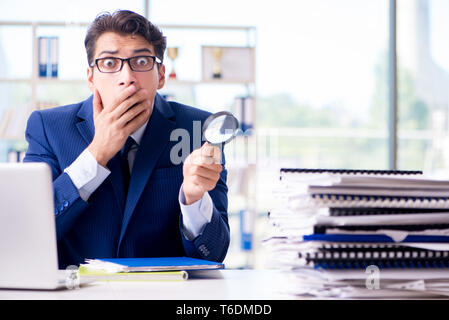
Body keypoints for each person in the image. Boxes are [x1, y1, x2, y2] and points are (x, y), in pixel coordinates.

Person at [23, 10, 230, 268]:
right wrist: (97, 153)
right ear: (91, 78)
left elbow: (214, 254)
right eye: (109, 63)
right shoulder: (48, 128)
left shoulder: (198, 131)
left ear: (161, 75)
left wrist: (194, 199)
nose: (127, 78)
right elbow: (26, 234)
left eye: (141, 61)